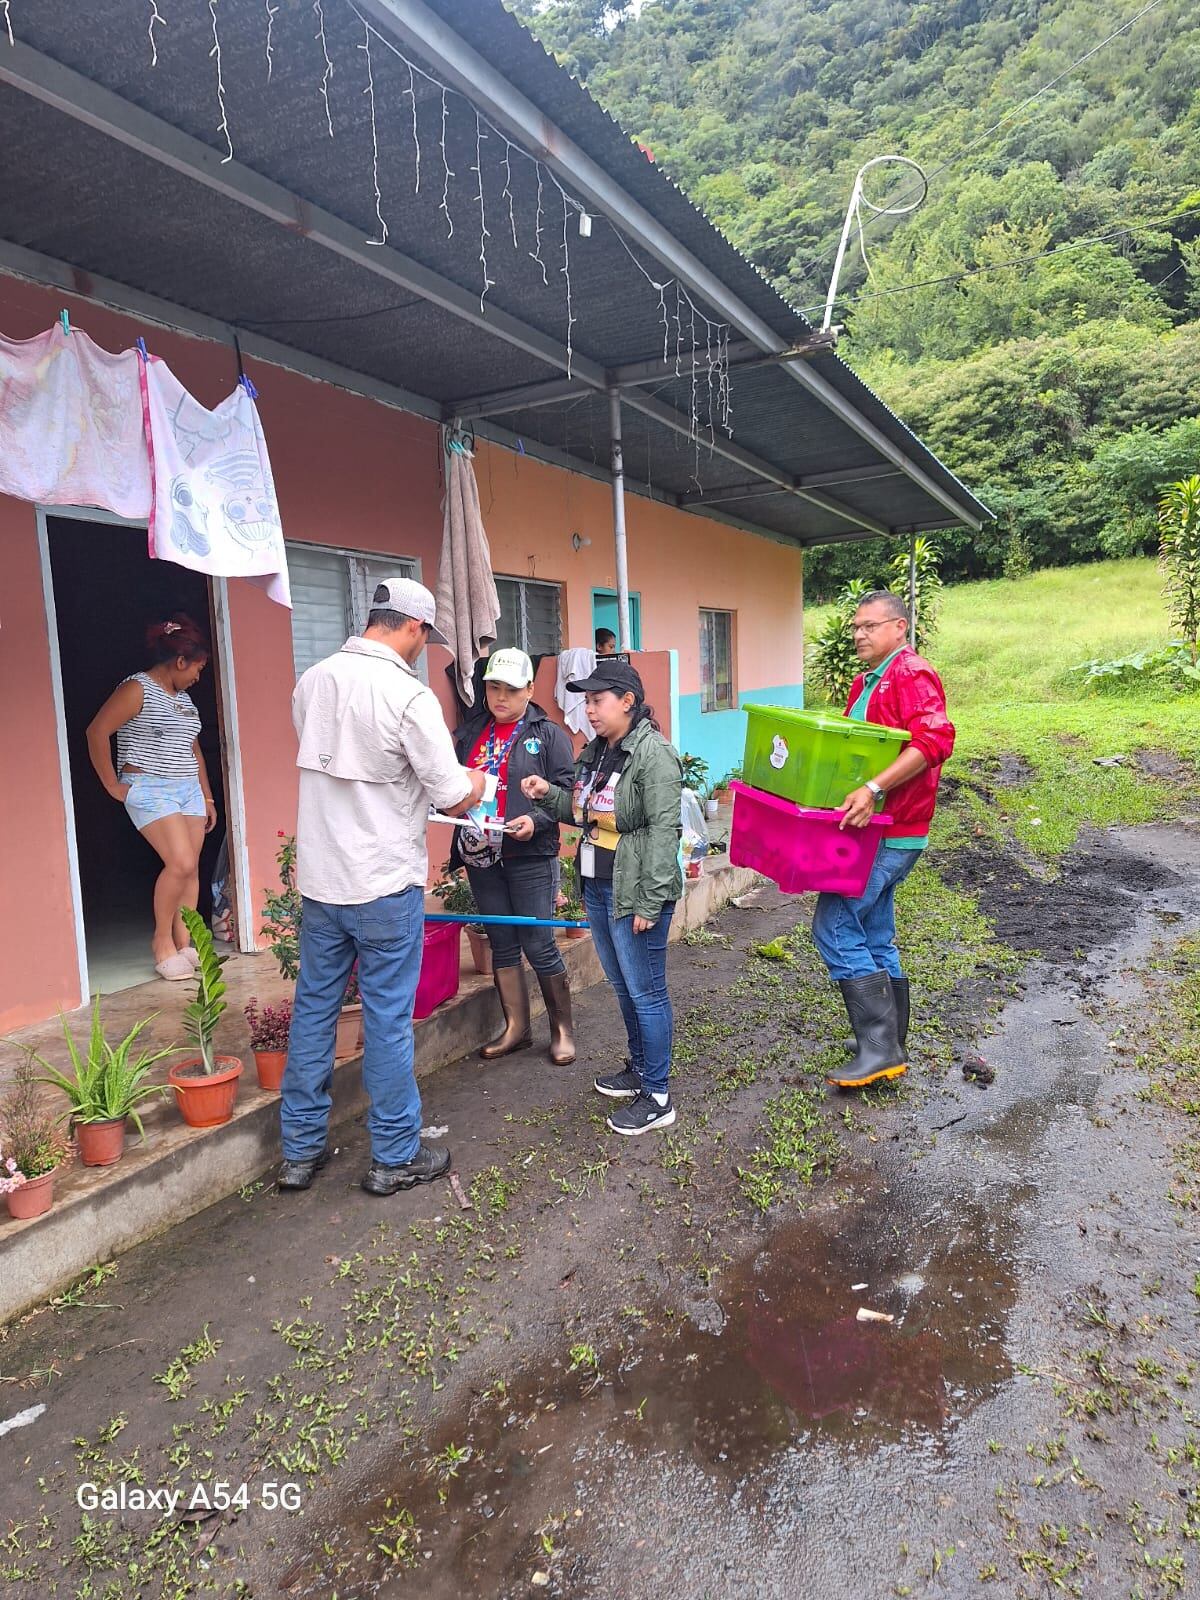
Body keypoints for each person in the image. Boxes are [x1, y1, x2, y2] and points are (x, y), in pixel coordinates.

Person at [278, 578, 486, 1196]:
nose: (425, 647)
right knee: (388, 1020)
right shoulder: (408, 695)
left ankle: (299, 1151)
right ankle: (394, 1155)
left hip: (322, 882)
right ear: (414, 628)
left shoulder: (312, 681)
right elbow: (449, 791)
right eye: (427, 636)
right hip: (382, 885)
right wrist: (476, 782)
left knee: (314, 1012)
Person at [523, 660, 683, 1136]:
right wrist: (547, 794)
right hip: (598, 887)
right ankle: (638, 1069)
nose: (588, 710)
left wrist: (650, 903)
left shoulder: (654, 755)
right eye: (586, 701)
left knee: (647, 991)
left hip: (634, 892)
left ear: (627, 701)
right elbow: (581, 810)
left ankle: (657, 1094)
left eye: (597, 701)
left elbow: (662, 832)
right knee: (624, 986)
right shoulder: (597, 752)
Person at [812, 590, 955, 1090]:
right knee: (875, 933)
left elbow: (936, 741)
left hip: (893, 829)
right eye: (855, 627)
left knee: (833, 925)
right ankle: (889, 1040)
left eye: (870, 626)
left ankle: (879, 1045)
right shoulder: (866, 681)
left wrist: (874, 789)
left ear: (899, 627)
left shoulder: (910, 673)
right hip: (876, 826)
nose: (859, 635)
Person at [451, 648, 578, 1064]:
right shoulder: (471, 732)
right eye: (493, 688)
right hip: (481, 853)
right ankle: (516, 1029)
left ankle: (561, 1032)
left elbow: (566, 795)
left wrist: (537, 822)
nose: (500, 697)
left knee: (539, 942)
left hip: (528, 854)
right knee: (501, 942)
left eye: (510, 689)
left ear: (530, 690)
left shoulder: (550, 734)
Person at [86, 614, 217, 981]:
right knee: (179, 863)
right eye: (197, 668)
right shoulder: (137, 688)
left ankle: (186, 943)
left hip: (188, 788)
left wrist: (207, 798)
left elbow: (193, 749)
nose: (197, 676)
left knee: (191, 867)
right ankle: (162, 942)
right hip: (151, 788)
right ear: (179, 661)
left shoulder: (185, 700)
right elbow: (97, 732)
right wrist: (113, 785)